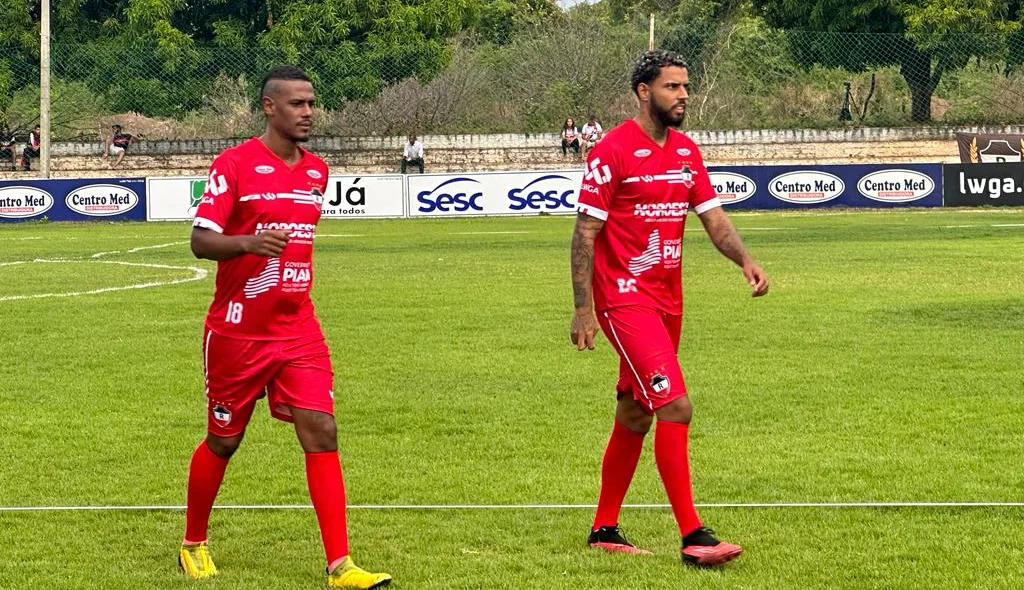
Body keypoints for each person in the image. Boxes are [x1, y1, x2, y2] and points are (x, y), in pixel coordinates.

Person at [182, 65, 392, 589]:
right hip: (237, 332)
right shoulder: (234, 165)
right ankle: (193, 542)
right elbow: (200, 242)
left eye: (311, 103)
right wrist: (249, 242)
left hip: (299, 329)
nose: (308, 112)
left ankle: (341, 565)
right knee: (224, 441)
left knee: (321, 429)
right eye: (297, 104)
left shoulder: (317, 171)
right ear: (269, 107)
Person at [569, 49, 769, 568]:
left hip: (668, 303)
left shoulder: (686, 151)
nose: (683, 96)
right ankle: (693, 535)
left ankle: (604, 529)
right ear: (643, 91)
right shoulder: (611, 151)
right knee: (674, 406)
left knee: (634, 412)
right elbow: (584, 234)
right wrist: (583, 308)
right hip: (624, 300)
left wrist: (744, 259)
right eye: (672, 87)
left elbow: (714, 218)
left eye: (685, 87)